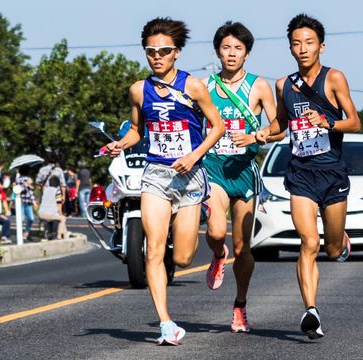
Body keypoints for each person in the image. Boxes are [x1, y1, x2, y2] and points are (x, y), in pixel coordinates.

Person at [105, 17, 224, 346]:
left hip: (189, 175)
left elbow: (217, 127)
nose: (157, 56)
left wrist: (193, 155)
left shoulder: (194, 87)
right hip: (156, 176)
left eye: (164, 51)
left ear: (177, 53)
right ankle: (166, 324)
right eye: (151, 51)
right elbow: (135, 130)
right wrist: (122, 143)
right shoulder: (138, 90)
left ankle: (205, 228)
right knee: (154, 250)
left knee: (183, 257)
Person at [256, 13, 361, 340]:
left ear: (321, 46)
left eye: (309, 43)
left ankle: (340, 238)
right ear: (290, 48)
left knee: (330, 249)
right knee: (308, 243)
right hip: (300, 173)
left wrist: (326, 123)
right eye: (296, 43)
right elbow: (282, 124)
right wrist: (264, 134)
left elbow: (355, 122)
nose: (303, 49)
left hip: (331, 172)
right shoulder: (283, 85)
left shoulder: (334, 79)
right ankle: (311, 311)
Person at [201, 21, 284, 333]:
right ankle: (216, 253)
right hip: (214, 168)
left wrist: (256, 136)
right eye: (226, 48)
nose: (231, 53)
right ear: (218, 51)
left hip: (245, 172)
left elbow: (278, 128)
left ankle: (240, 305)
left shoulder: (259, 86)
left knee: (242, 248)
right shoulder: (205, 86)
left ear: (247, 53)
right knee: (214, 229)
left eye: (237, 48)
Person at [38, 176, 67, 240]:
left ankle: (47, 232)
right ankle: (58, 235)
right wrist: (61, 215)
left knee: (53, 217)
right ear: (58, 183)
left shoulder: (45, 190)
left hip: (41, 213)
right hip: (52, 215)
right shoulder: (57, 191)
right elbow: (59, 205)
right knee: (62, 219)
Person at [16, 166, 38, 240]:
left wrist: (34, 202)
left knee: (31, 218)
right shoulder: (19, 180)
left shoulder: (28, 179)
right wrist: (27, 184)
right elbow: (18, 189)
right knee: (21, 219)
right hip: (21, 202)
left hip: (28, 202)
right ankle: (21, 234)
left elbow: (30, 192)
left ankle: (26, 232)